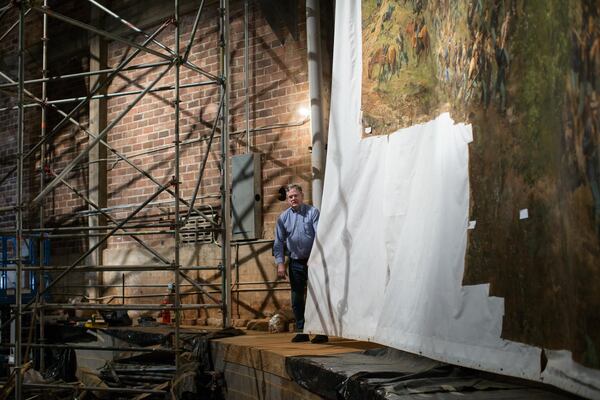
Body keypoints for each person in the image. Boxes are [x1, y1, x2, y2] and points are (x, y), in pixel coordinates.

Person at [273, 184, 328, 343]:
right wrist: (280, 263)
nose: (293, 199)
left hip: (313, 261)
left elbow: (319, 236)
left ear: (302, 196)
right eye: (290, 197)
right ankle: (302, 331)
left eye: (296, 195)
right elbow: (278, 242)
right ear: (288, 200)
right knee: (297, 298)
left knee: (317, 296)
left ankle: (320, 332)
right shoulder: (283, 218)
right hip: (295, 262)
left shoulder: (313, 213)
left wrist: (318, 258)